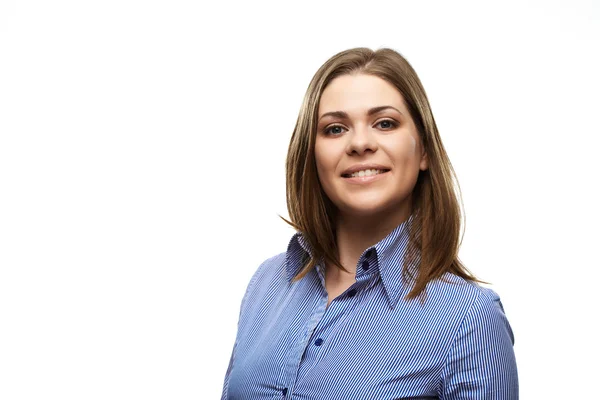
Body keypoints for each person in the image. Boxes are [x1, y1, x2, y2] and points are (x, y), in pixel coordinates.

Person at [220, 47, 518, 399]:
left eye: (385, 123)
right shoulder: (267, 285)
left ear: (423, 150)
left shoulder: (469, 318)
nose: (360, 143)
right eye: (335, 129)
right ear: (311, 153)